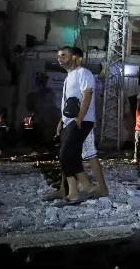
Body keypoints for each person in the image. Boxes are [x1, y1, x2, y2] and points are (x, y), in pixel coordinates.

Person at [44, 47, 109, 201]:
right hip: (70, 121)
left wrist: (79, 118)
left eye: (63, 56)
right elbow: (68, 103)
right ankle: (68, 189)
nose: (60, 59)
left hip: (82, 121)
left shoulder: (83, 73)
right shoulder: (69, 77)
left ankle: (88, 189)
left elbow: (87, 97)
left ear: (74, 57)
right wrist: (61, 120)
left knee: (73, 154)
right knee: (67, 154)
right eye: (59, 56)